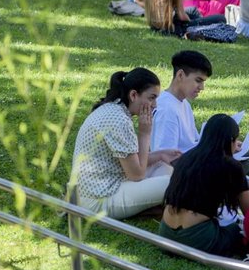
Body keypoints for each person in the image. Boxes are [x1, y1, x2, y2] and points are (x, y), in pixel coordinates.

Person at [70, 68, 181, 219]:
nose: (155, 105)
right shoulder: (119, 120)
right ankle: (151, 209)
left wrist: (160, 155)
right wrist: (144, 133)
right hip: (98, 200)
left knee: (163, 165)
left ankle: (150, 207)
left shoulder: (114, 109)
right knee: (175, 183)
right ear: (134, 95)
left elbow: (133, 163)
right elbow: (137, 175)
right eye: (151, 98)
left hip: (107, 185)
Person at [151, 51, 249, 179]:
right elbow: (167, 159)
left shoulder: (183, 103)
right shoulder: (167, 110)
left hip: (200, 160)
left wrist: (224, 145)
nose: (202, 87)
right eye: (198, 80)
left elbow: (196, 142)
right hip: (193, 170)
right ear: (180, 75)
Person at [160, 114, 249, 256]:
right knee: (239, 231)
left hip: (166, 233)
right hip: (197, 238)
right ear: (230, 140)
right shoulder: (231, 166)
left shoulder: (187, 158)